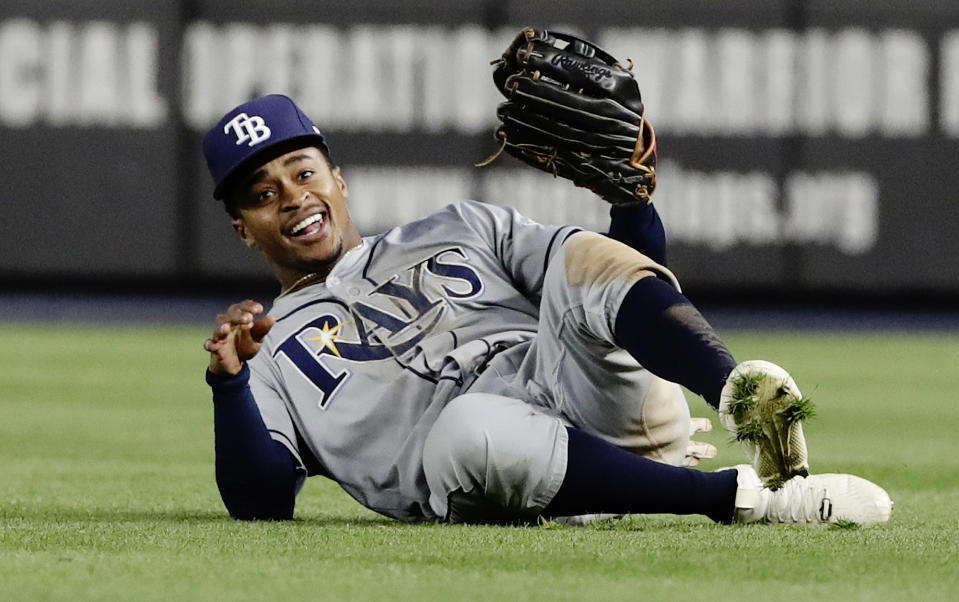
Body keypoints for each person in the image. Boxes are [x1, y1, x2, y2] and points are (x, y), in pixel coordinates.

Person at [201, 94, 892, 526]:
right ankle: (743, 500)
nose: (292, 196)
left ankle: (733, 391)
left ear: (337, 179)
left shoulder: (456, 226)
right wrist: (231, 386)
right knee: (468, 426)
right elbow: (260, 501)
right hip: (483, 468)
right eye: (262, 193)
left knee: (577, 255)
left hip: (590, 398)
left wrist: (631, 202)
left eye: (302, 171)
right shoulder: (266, 344)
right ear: (242, 228)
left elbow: (612, 271)